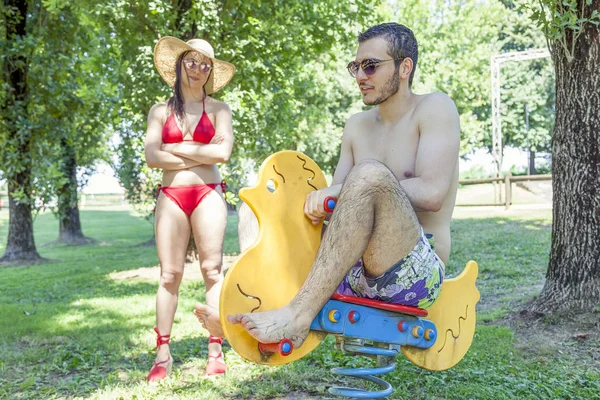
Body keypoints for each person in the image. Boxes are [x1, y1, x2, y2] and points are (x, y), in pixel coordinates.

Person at [228, 22, 460, 348]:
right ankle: (259, 300)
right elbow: (340, 211)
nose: (360, 76)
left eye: (371, 66)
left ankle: (297, 317)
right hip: (351, 270)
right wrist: (311, 204)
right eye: (356, 66)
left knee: (369, 174)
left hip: (415, 273)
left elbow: (433, 193)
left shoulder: (434, 108)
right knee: (257, 206)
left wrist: (352, 187)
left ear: (404, 67)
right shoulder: (357, 126)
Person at [145, 36, 235, 381]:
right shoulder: (159, 111)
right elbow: (152, 157)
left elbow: (222, 155)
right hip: (171, 196)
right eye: (191, 61)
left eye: (205, 63)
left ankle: (215, 349)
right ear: (179, 64)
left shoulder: (219, 109)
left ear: (210, 71)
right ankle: (162, 354)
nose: (197, 68)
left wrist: (177, 146)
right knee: (169, 275)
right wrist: (201, 149)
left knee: (212, 269)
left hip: (208, 193)